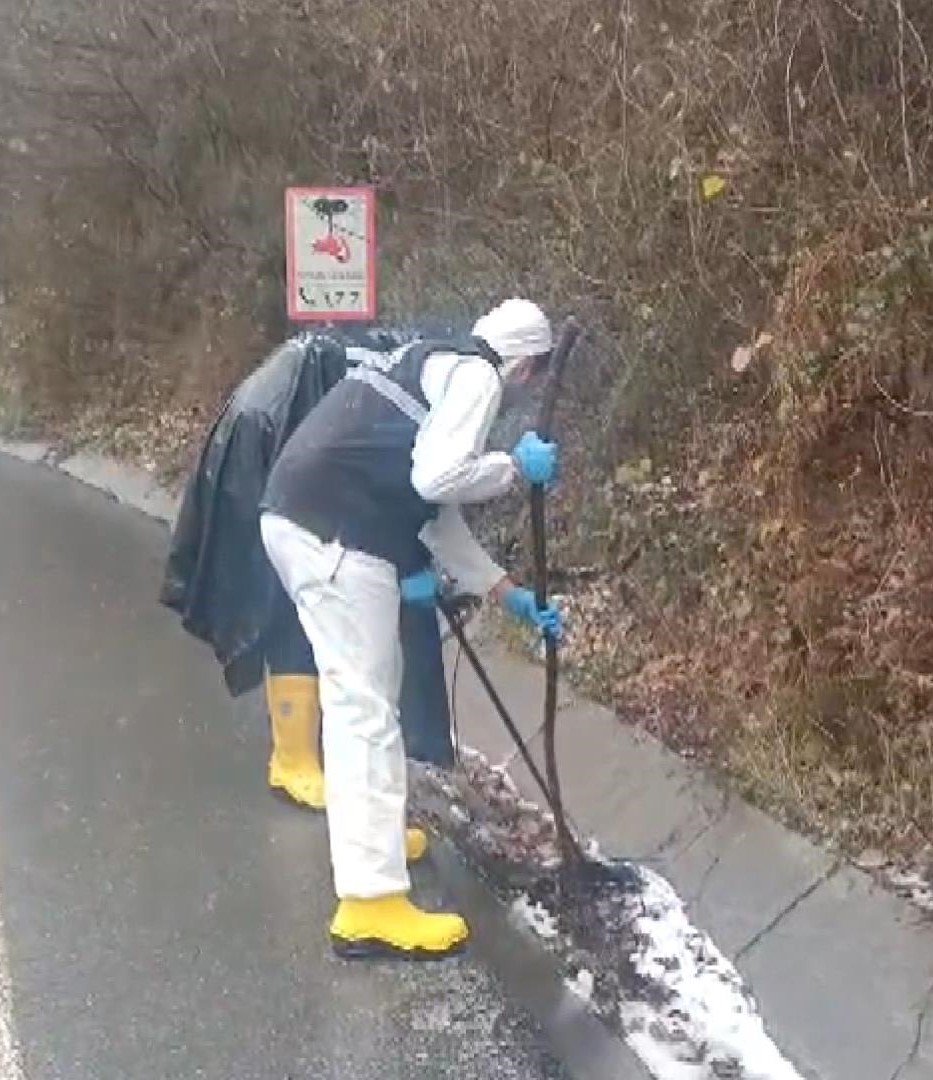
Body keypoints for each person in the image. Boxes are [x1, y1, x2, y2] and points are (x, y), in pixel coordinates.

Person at [259, 298, 564, 961]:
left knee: (366, 699)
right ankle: (370, 903)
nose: (529, 390)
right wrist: (513, 468)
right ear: (526, 367)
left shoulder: (433, 360)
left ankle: (375, 841)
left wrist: (509, 596)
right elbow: (439, 476)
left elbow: (432, 513)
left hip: (308, 519)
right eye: (535, 378)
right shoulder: (478, 376)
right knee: (363, 709)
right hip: (336, 534)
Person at [161, 330, 454, 853]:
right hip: (275, 450)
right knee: (295, 615)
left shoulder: (408, 365)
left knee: (312, 623)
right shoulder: (420, 385)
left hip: (282, 441)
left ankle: (320, 771)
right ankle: (296, 760)